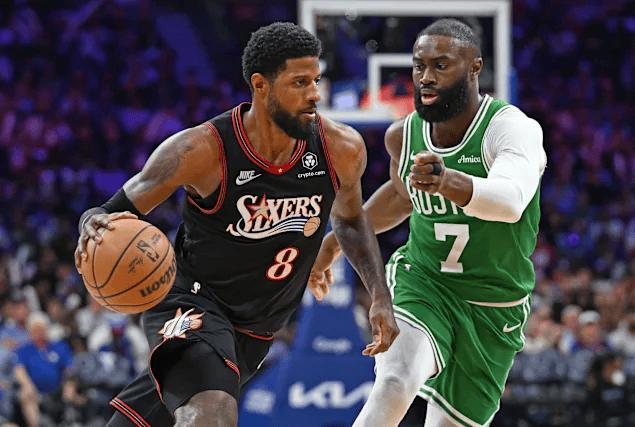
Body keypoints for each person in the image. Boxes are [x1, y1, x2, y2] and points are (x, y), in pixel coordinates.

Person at [73, 22, 398, 427]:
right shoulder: (201, 150)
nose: (314, 93)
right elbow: (110, 211)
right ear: (261, 85)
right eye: (299, 83)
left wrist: (379, 295)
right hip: (190, 300)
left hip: (255, 329)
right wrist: (92, 224)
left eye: (316, 80)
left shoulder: (341, 149)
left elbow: (349, 220)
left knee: (152, 416)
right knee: (212, 413)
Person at [309, 18, 547, 427]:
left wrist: (447, 181)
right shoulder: (403, 136)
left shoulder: (511, 129)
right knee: (395, 382)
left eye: (441, 65)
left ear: (474, 68)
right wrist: (334, 242)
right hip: (424, 281)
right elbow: (402, 196)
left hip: (494, 302)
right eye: (419, 66)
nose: (426, 77)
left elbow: (510, 202)